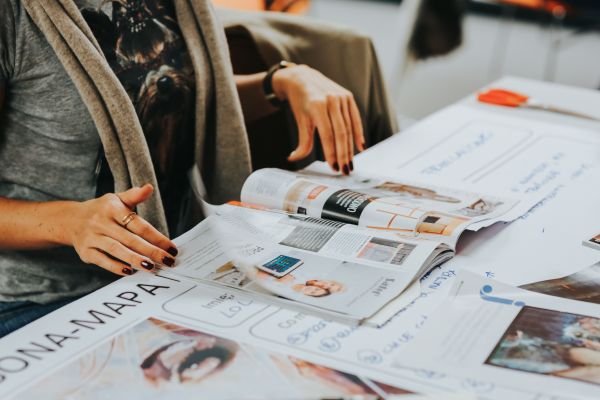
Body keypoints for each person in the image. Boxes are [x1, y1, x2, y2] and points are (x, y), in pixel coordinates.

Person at [0, 0, 370, 337]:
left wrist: (280, 83)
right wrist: (71, 222)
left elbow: (177, 99)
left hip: (176, 264)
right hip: (44, 299)